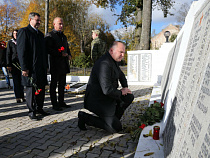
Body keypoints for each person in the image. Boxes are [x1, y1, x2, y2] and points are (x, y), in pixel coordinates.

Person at [78, 41, 134, 133]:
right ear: (112, 51)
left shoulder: (114, 61)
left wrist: (125, 88)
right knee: (116, 128)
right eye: (121, 52)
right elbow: (107, 90)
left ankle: (112, 119)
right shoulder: (104, 64)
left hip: (108, 97)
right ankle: (84, 117)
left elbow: (121, 76)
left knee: (129, 96)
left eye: (123, 52)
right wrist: (121, 92)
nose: (123, 55)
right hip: (97, 101)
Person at [17, 12, 49, 120]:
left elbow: (44, 52)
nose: (39, 22)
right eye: (37, 20)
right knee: (31, 89)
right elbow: (21, 51)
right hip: (30, 68)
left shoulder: (40, 35)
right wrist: (24, 67)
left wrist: (46, 65)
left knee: (41, 88)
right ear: (30, 20)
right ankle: (32, 111)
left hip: (41, 67)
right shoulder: (24, 32)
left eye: (40, 20)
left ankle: (40, 108)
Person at [45, 17, 72, 111]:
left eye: (62, 24)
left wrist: (69, 54)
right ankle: (54, 104)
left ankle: (61, 101)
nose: (61, 25)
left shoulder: (64, 36)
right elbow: (48, 50)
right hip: (55, 64)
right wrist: (60, 53)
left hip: (63, 64)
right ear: (54, 24)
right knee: (53, 85)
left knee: (62, 84)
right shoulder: (50, 35)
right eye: (59, 23)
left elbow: (66, 47)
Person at [6, 30, 26, 103]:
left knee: (22, 81)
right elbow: (8, 54)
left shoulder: (21, 41)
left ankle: (22, 96)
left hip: (21, 63)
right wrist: (8, 64)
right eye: (14, 34)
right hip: (14, 64)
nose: (15, 35)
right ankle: (17, 97)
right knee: (16, 81)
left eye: (17, 34)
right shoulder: (10, 42)